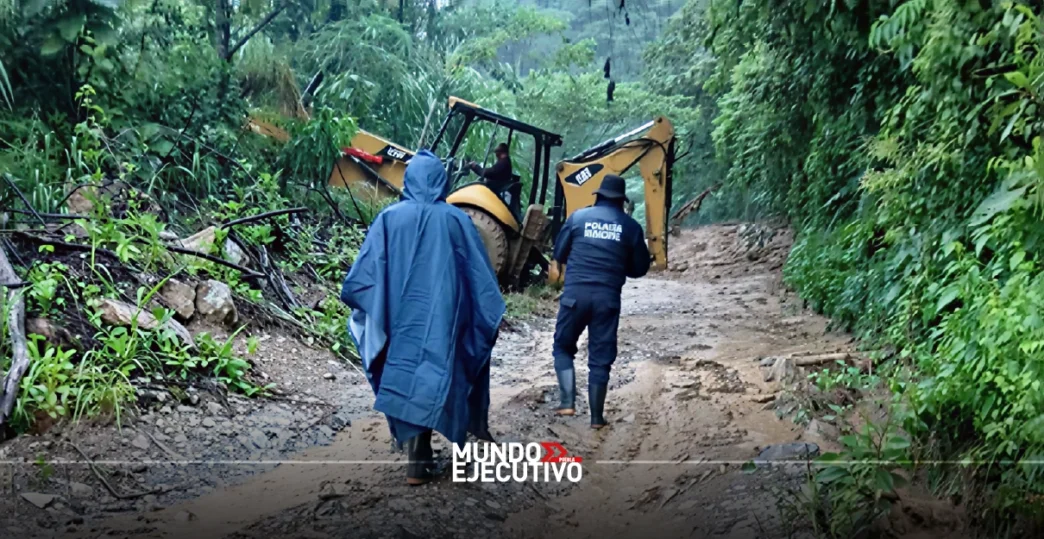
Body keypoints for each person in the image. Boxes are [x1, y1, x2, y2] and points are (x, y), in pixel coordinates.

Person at [340, 150, 506, 485]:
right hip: (443, 319)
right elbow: (480, 278)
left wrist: (376, 307)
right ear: (441, 180)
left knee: (403, 371)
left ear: (409, 179)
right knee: (438, 372)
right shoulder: (457, 220)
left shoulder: (389, 218)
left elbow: (366, 274)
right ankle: (420, 457)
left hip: (398, 319)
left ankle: (418, 455)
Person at [550, 174, 650, 429]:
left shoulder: (578, 218)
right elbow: (640, 268)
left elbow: (559, 253)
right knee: (600, 357)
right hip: (607, 300)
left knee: (563, 347)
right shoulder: (630, 227)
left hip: (574, 298)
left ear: (598, 196)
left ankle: (567, 402)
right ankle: (596, 418)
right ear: (621, 201)